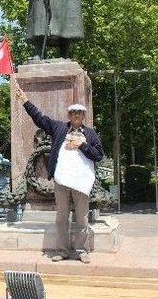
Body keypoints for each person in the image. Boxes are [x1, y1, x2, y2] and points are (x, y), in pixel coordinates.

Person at [14, 82, 104, 264]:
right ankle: (62, 251)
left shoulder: (91, 134)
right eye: (74, 114)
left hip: (81, 182)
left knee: (82, 218)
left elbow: (99, 155)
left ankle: (81, 250)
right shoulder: (59, 128)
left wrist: (83, 145)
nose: (77, 116)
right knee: (61, 218)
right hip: (62, 181)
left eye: (80, 114)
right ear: (69, 116)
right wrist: (25, 101)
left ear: (83, 116)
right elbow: (40, 119)